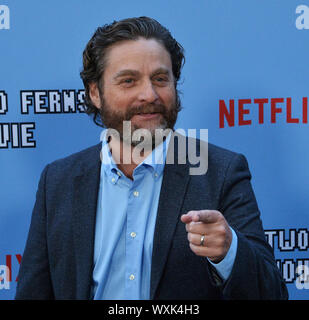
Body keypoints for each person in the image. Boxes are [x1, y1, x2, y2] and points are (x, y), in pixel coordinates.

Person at [15, 16, 288, 300]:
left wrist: (229, 252)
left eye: (160, 79)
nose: (149, 94)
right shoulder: (58, 180)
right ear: (95, 93)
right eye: (129, 81)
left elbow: (272, 294)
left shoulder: (220, 172)